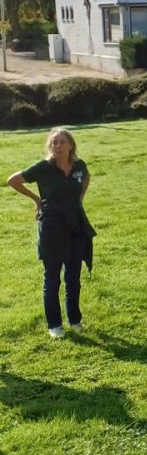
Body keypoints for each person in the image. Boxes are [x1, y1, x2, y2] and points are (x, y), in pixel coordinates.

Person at [7, 127, 95, 338]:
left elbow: (86, 180)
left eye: (61, 142)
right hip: (52, 226)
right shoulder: (43, 168)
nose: (57, 145)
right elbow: (12, 180)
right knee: (53, 277)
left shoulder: (79, 166)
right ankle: (54, 325)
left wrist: (78, 202)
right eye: (54, 142)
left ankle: (75, 320)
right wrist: (37, 199)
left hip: (75, 224)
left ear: (71, 145)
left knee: (73, 275)